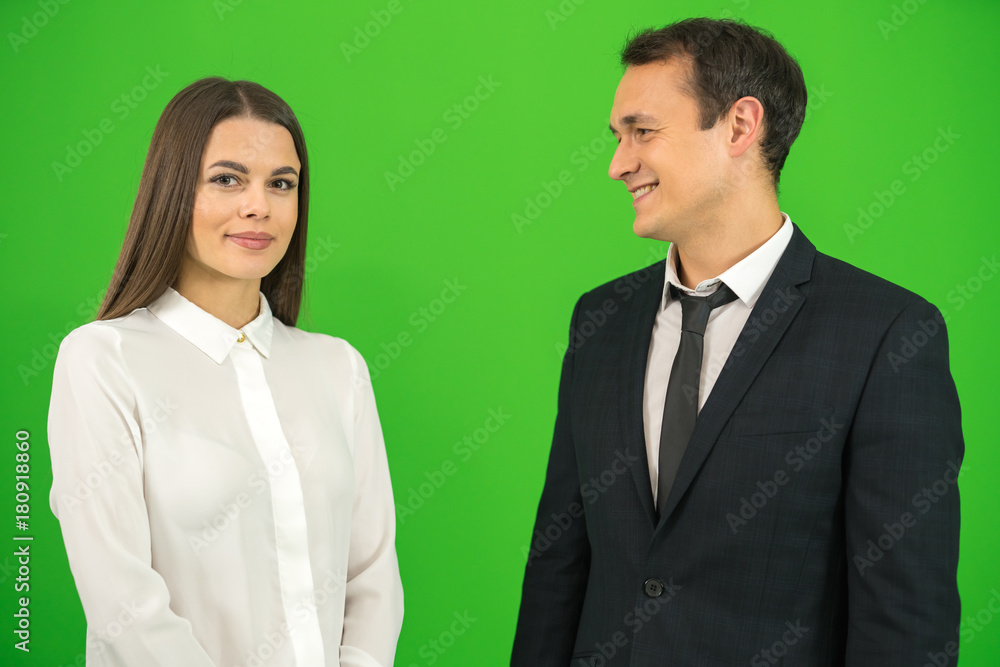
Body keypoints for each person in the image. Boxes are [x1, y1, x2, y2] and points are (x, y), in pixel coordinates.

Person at [512, 17, 962, 666]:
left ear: (740, 126)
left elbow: (905, 627)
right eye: (617, 137)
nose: (617, 164)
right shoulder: (600, 320)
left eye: (642, 131)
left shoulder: (888, 335)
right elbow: (558, 571)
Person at [47, 77, 404, 666]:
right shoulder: (103, 360)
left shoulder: (338, 368)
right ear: (171, 190)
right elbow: (123, 605)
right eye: (227, 179)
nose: (258, 205)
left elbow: (372, 573)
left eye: (280, 184)